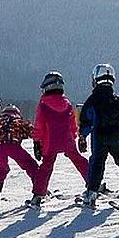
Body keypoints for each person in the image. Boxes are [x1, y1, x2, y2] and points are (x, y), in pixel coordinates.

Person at [77, 64, 119, 208]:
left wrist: (82, 136)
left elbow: (86, 119)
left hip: (99, 136)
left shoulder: (92, 100)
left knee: (97, 162)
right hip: (115, 136)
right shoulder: (117, 100)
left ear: (95, 79)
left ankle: (91, 192)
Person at [29, 71, 89, 208]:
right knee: (78, 160)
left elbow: (39, 125)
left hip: (50, 143)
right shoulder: (67, 103)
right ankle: (93, 183)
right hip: (67, 140)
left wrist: (37, 142)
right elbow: (73, 124)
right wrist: (73, 137)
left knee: (46, 166)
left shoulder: (43, 104)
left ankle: (38, 195)